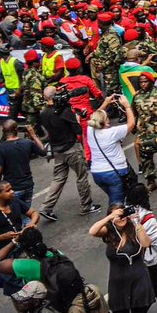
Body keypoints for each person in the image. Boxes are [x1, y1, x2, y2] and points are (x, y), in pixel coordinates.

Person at [89, 205, 155, 313]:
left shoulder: (134, 228)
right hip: (118, 283)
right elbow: (92, 231)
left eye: (123, 213)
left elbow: (146, 243)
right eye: (117, 214)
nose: (121, 217)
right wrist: (110, 217)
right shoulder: (109, 232)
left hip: (138, 279)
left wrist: (137, 223)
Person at [38, 87, 102, 223]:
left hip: (57, 150)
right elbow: (78, 130)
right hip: (72, 148)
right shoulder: (65, 111)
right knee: (82, 176)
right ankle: (87, 205)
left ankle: (46, 207)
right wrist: (78, 117)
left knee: (58, 179)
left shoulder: (43, 113)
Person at [124, 183, 157, 313]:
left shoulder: (126, 215)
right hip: (151, 260)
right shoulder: (148, 218)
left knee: (141, 290)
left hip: (134, 260)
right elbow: (156, 241)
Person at [87, 95, 137, 207]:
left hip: (97, 173)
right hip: (114, 173)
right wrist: (127, 107)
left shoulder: (90, 130)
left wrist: (106, 102)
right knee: (116, 206)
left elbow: (96, 116)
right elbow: (131, 124)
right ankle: (113, 222)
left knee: (116, 198)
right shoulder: (112, 133)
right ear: (106, 121)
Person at [0, 120, 48, 211]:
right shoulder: (27, 143)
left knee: (15, 214)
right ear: (16, 129)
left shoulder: (1, 148)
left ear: (3, 131)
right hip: (28, 184)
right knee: (26, 212)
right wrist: (33, 135)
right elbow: (43, 151)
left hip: (12, 188)